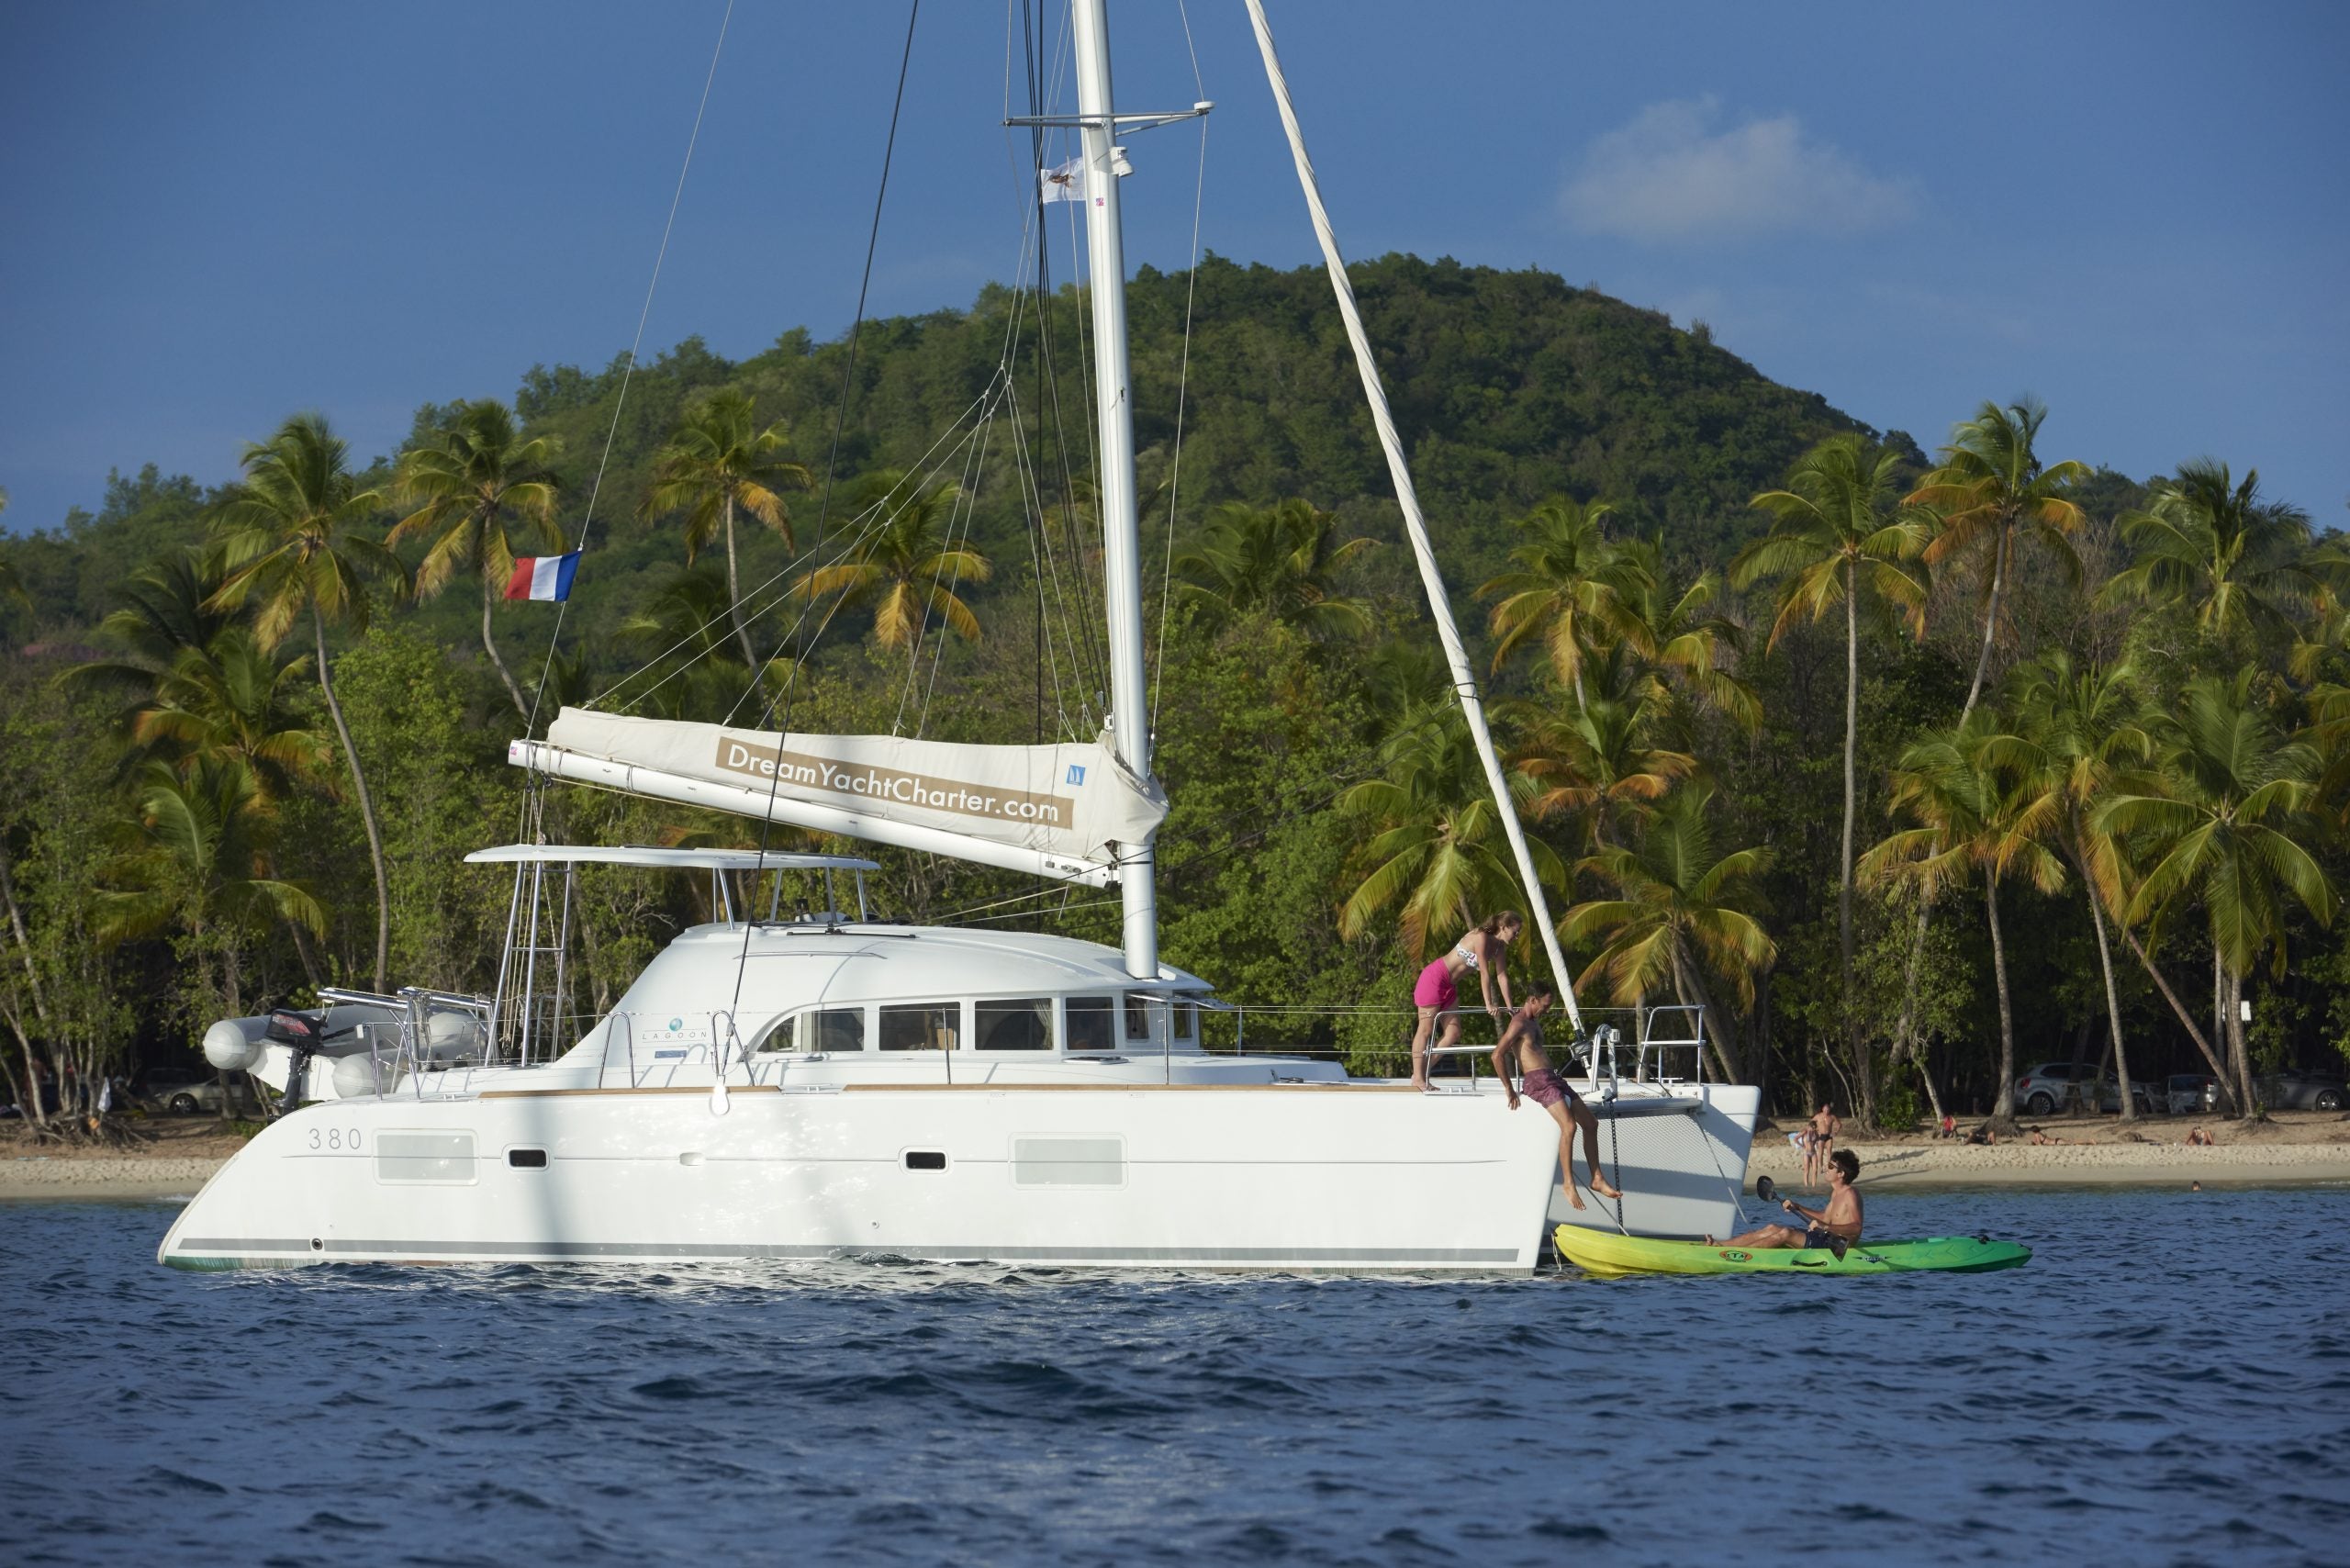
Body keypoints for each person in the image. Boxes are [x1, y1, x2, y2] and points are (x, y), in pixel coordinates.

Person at [1492, 980, 1623, 1211]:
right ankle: (1568, 1184)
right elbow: (1497, 1055)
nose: (1548, 1009)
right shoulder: (1519, 1023)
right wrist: (1509, 1088)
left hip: (1554, 1078)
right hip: (1538, 1081)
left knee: (1591, 1124)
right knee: (1569, 1126)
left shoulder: (1532, 1021)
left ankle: (1597, 1178)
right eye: (1545, 1004)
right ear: (1532, 1000)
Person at [1407, 910, 1521, 1090]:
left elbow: (1502, 977)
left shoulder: (1499, 948)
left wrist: (1510, 1008)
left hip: (1449, 987)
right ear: (1503, 927)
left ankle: (1420, 1072)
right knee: (1426, 1029)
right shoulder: (1481, 937)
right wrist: (1488, 1004)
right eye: (1515, 932)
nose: (1517, 937)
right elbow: (1484, 972)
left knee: (1453, 1033)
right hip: (1435, 978)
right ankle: (1419, 1079)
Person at [1713, 1148, 1863, 1249]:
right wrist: (1797, 1207)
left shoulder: (1851, 1194)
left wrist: (1826, 1228)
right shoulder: (1836, 1193)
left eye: (1831, 1166)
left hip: (1836, 1246)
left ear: (1841, 1174)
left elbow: (1856, 1227)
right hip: (1825, 1237)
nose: (1826, 1167)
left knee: (1785, 1233)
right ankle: (1720, 1245)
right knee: (1772, 1228)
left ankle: (1741, 1255)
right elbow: (1825, 1217)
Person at [1805, 1103, 1841, 1189]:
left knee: (1829, 1152)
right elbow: (1810, 1123)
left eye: (1828, 1109)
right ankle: (1820, 1166)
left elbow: (1839, 1124)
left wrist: (1835, 1132)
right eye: (1825, 1109)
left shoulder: (1832, 1117)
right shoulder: (1818, 1116)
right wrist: (1816, 1130)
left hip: (1829, 1136)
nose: (1826, 1111)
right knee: (1820, 1151)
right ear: (1822, 1109)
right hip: (1821, 1136)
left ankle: (1829, 1167)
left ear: (1829, 1110)